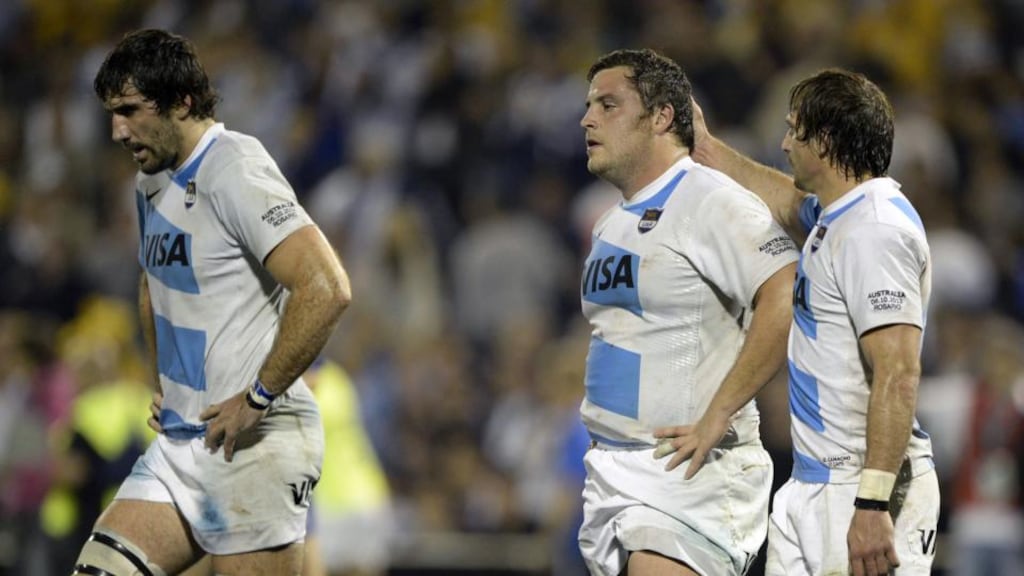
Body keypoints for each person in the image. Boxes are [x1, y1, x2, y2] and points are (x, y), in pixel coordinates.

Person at [73, 28, 351, 576]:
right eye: (112, 113)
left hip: (252, 448)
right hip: (180, 444)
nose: (116, 129)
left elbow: (326, 286)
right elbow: (153, 281)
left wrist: (258, 395)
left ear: (181, 101)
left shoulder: (234, 166)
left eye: (129, 109)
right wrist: (163, 382)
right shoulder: (149, 179)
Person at [660, 68, 940, 575]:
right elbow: (788, 201)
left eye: (794, 129)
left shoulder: (875, 231)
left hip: (862, 487)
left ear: (826, 140)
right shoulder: (840, 217)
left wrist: (873, 504)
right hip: (814, 485)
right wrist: (707, 149)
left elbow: (898, 372)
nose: (785, 143)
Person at [577, 48, 798, 576]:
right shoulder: (610, 223)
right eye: (588, 106)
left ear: (661, 117)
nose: (587, 119)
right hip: (614, 471)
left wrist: (718, 413)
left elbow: (783, 293)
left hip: (689, 476)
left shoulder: (709, 199)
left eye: (608, 105)